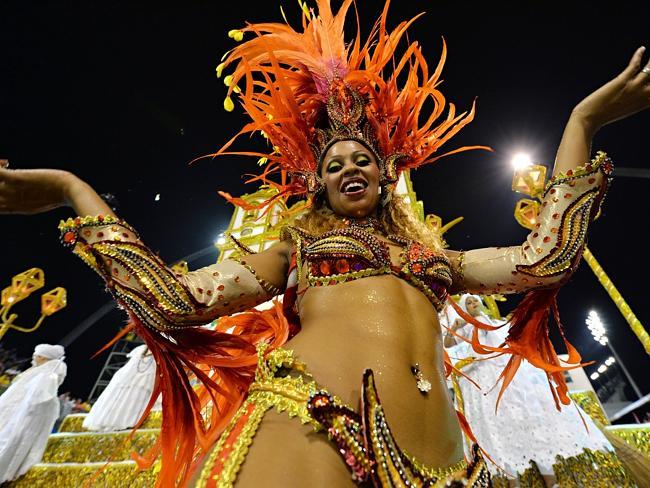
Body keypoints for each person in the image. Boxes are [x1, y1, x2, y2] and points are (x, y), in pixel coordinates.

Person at [0, 1, 648, 486]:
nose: (347, 168)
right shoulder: (294, 254)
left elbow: (545, 260)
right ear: (318, 185)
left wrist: (581, 121)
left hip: (450, 466)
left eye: (359, 157)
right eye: (333, 163)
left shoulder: (438, 263)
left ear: (388, 172)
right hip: (311, 426)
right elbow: (171, 301)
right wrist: (73, 190)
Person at [443, 295, 616, 485]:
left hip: (509, 382)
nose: (474, 304)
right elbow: (448, 344)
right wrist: (455, 329)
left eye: (475, 301)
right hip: (488, 385)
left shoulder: (495, 323)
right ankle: (512, 481)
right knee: (500, 432)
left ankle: (551, 480)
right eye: (469, 303)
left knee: (534, 428)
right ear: (464, 309)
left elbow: (505, 339)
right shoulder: (466, 328)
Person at [0, 344, 67, 483]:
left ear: (42, 357)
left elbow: (38, 399)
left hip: (23, 417)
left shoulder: (48, 374)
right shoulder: (40, 372)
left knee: (10, 440)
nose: (33, 359)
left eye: (35, 356)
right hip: (15, 413)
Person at [83, 344, 161, 432]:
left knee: (135, 397)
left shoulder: (162, 351)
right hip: (128, 378)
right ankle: (109, 422)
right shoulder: (140, 349)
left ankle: (125, 423)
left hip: (145, 380)